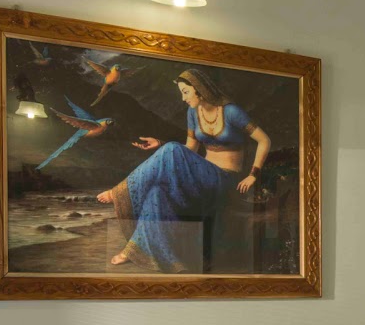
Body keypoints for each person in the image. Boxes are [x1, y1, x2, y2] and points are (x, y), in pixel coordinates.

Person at [97, 68, 271, 271]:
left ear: (200, 90)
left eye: (186, 92)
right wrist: (160, 144)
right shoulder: (193, 113)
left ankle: (120, 190)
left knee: (172, 148)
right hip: (200, 177)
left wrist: (253, 174)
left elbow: (264, 140)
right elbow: (190, 150)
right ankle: (161, 257)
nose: (183, 98)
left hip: (225, 179)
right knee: (157, 192)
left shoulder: (231, 112)